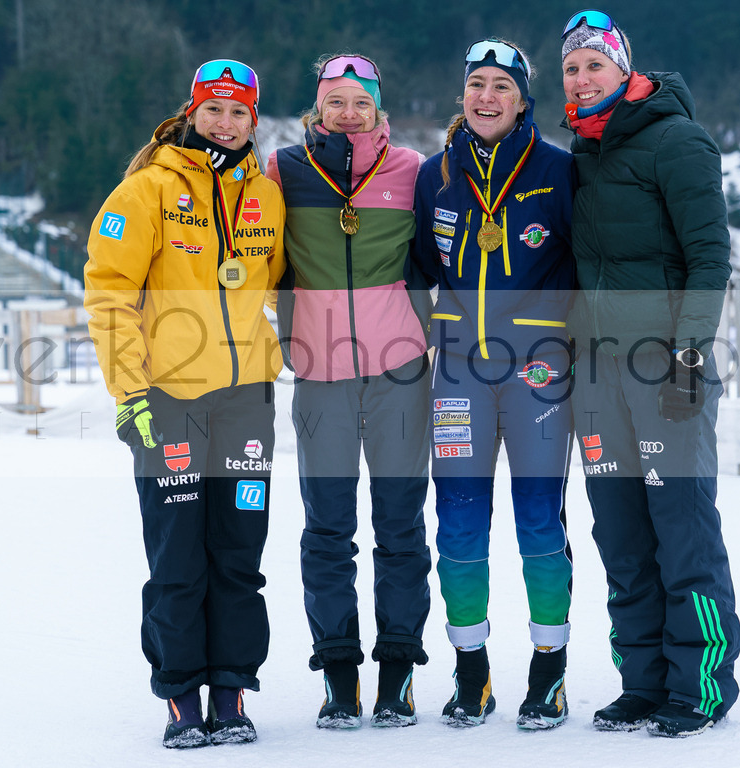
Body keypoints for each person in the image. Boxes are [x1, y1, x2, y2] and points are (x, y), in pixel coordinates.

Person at [84, 59, 285, 748]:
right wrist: (130, 393)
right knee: (177, 557)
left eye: (238, 112)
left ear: (253, 121)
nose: (225, 122)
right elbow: (109, 297)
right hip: (168, 401)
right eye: (213, 109)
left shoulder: (267, 194)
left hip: (245, 403)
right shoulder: (144, 192)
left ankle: (230, 691)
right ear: (191, 112)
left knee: (238, 554)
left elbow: (280, 284)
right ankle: (180, 697)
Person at [559, 10, 740, 738]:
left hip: (666, 369)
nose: (582, 77)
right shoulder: (581, 152)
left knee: (682, 531)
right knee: (623, 538)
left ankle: (701, 683)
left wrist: (691, 353)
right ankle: (641, 681)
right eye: (571, 68)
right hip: (598, 375)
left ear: (623, 68)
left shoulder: (678, 140)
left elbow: (711, 257)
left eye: (593, 65)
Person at [408, 38, 576, 729]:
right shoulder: (434, 175)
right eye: (477, 84)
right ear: (464, 95)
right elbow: (419, 268)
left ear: (522, 99)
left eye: (501, 87)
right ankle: (470, 672)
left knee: (540, 524)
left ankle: (549, 672)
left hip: (538, 374)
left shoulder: (561, 171)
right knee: (459, 526)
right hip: (459, 377)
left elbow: (581, 268)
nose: (487, 97)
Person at [265, 53, 432, 730]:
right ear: (318, 108)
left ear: (378, 110)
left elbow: (432, 256)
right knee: (328, 529)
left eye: (361, 102)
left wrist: (419, 331)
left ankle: (396, 675)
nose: (349, 113)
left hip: (399, 374)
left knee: (399, 527)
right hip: (321, 374)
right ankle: (338, 675)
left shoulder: (412, 169)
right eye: (336, 102)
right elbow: (263, 258)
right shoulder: (284, 169)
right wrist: (290, 335)